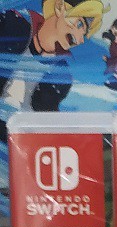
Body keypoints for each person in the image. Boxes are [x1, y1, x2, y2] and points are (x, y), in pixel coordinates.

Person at [0, 0, 106, 133]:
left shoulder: (61, 74)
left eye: (84, 34)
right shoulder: (13, 26)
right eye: (79, 24)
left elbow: (48, 117)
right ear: (59, 7)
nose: (80, 39)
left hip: (22, 137)